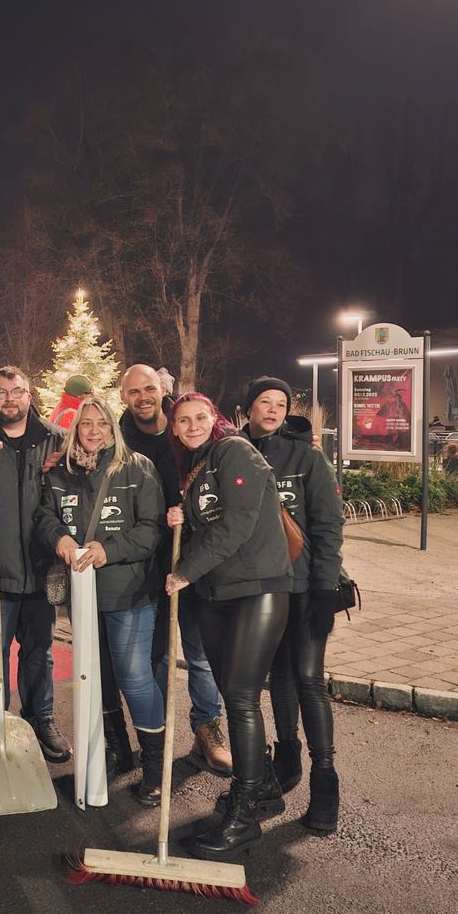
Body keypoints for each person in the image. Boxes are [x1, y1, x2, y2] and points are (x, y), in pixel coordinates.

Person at [165, 392, 291, 860]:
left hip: (257, 589)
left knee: (239, 699)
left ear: (214, 418)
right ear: (174, 428)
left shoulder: (235, 450)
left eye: (201, 416)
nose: (193, 425)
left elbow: (238, 522)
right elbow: (211, 521)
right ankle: (267, 788)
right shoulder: (197, 466)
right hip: (217, 594)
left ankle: (243, 814)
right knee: (230, 690)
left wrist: (184, 570)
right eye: (183, 420)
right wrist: (184, 517)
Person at [34, 396, 166, 803]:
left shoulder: (136, 468)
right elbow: (45, 515)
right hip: (83, 594)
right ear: (75, 429)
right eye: (86, 424)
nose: (93, 431)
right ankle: (116, 750)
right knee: (99, 676)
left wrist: (111, 549)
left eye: (101, 424)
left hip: (129, 593)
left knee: (134, 675)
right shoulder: (62, 471)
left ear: (113, 428)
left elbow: (152, 528)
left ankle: (156, 765)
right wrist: (60, 538)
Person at [114, 364, 231, 778]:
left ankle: (207, 727)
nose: (143, 397)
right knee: (155, 657)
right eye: (134, 392)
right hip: (147, 564)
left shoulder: (186, 425)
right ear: (124, 395)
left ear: (161, 389)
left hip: (193, 559)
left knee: (198, 654)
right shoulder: (119, 437)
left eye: (149, 389)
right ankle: (157, 739)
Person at [240, 377, 343, 834]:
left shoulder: (307, 458)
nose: (274, 409)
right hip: (260, 589)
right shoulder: (234, 451)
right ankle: (287, 759)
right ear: (248, 408)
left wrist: (323, 589)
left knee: (307, 679)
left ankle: (325, 779)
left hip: (304, 590)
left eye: (281, 403)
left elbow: (327, 528)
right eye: (265, 402)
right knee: (277, 676)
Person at [0, 365, 71, 762]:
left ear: (29, 395)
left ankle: (41, 716)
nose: (9, 399)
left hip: (41, 569)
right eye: (1, 392)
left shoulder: (55, 440)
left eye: (17, 391)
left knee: (40, 650)